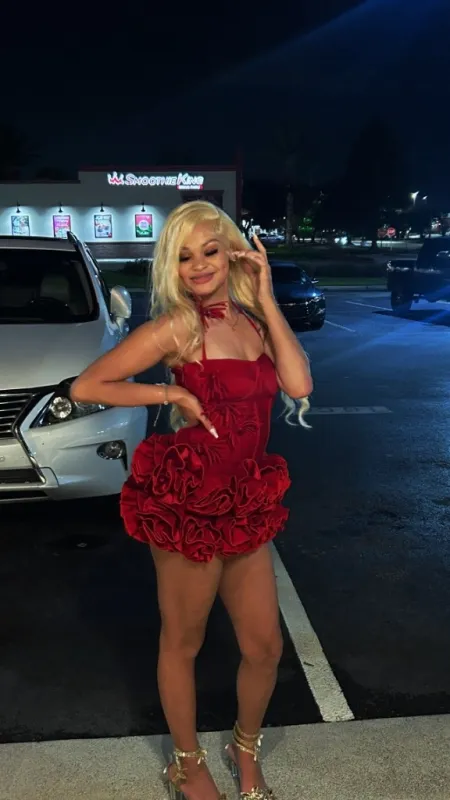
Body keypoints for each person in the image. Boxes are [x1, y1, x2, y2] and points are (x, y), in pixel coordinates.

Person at [71, 201, 313, 800]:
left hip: (244, 499)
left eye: (209, 250)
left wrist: (268, 297)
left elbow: (299, 383)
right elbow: (88, 385)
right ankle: (185, 763)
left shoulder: (255, 322)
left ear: (231, 252)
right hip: (189, 501)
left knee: (265, 647)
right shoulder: (179, 327)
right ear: (171, 268)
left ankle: (243, 747)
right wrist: (171, 393)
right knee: (184, 642)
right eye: (183, 257)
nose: (198, 265)